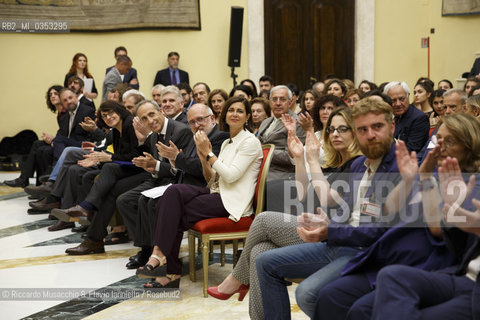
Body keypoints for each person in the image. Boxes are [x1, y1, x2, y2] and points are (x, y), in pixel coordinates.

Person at [320, 113, 480, 320]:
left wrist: (424, 180)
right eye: (437, 139)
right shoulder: (433, 172)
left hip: (428, 261)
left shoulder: (471, 182)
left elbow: (438, 229)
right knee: (330, 296)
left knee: (359, 309)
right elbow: (389, 211)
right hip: (390, 252)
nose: (440, 146)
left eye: (449, 141)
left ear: (470, 144)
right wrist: (409, 180)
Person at [207, 106, 362, 320]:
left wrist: (313, 161)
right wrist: (299, 157)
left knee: (262, 220)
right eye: (331, 129)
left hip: (333, 239)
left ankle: (236, 280)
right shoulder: (336, 163)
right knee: (259, 251)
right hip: (319, 231)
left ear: (355, 132)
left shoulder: (358, 164)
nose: (335, 134)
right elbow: (304, 195)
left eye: (342, 129)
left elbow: (327, 197)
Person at [255, 97, 400, 319]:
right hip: (340, 240)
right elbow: (337, 206)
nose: (369, 135)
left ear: (392, 127)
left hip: (366, 250)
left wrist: (331, 229)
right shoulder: (359, 166)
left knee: (307, 293)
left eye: (377, 127)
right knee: (263, 260)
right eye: (363, 129)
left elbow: (379, 230)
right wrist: (327, 224)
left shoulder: (398, 168)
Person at [135, 96, 263, 288]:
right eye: (231, 110)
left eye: (239, 111)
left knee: (172, 210)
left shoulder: (249, 141)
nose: (234, 114)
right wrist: (204, 158)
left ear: (247, 117)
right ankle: (161, 257)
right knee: (173, 193)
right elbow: (212, 179)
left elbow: (230, 176)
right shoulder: (229, 142)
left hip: (232, 202)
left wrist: (209, 153)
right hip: (217, 193)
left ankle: (168, 268)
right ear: (224, 116)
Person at [118, 103, 229, 269]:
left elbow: (202, 169)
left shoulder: (220, 137)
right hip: (185, 185)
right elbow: (184, 166)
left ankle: (164, 257)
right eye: (192, 121)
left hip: (203, 189)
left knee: (161, 203)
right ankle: (153, 252)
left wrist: (176, 158)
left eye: (200, 120)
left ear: (212, 119)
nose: (196, 124)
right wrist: (170, 162)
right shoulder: (195, 136)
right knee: (144, 200)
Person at [4, 85, 65, 188]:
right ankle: (29, 182)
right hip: (60, 142)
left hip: (64, 145)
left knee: (42, 150)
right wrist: (51, 138)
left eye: (55, 94)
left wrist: (53, 139)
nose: (52, 96)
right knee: (37, 144)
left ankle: (26, 181)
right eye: (50, 95)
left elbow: (66, 135)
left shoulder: (66, 112)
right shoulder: (59, 113)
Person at [257, 85, 306, 180]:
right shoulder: (265, 122)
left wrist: (263, 150)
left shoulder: (297, 123)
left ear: (290, 102)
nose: (278, 103)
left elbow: (291, 157)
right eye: (274, 99)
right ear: (270, 102)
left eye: (282, 99)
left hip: (280, 176)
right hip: (258, 171)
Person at [384, 81, 430, 153]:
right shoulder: (390, 116)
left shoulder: (419, 118)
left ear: (408, 96)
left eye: (402, 99)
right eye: (393, 100)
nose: (398, 104)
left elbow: (411, 150)